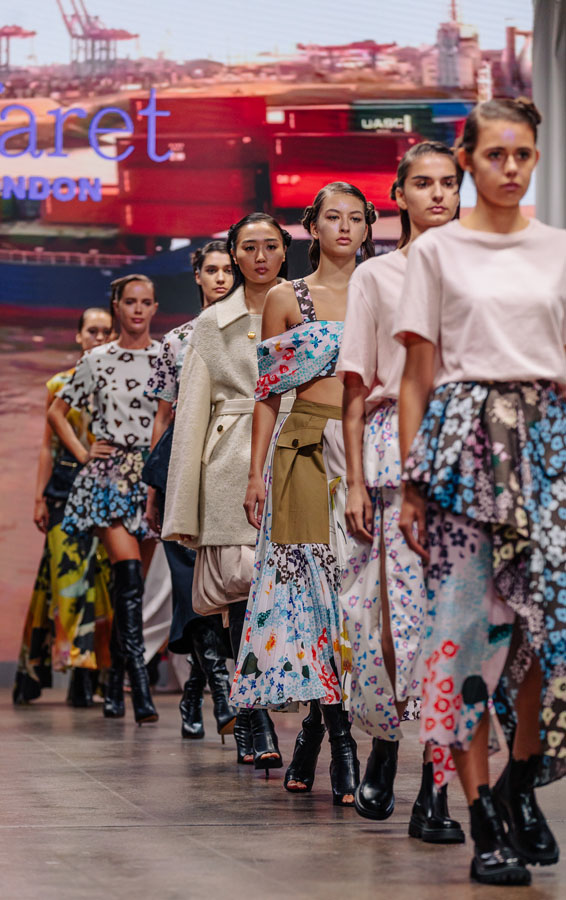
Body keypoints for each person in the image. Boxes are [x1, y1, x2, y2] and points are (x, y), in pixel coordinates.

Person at [395, 98, 565, 885]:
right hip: (462, 452)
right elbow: (417, 377)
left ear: (536, 158)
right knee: (464, 632)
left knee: (545, 635)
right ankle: (481, 818)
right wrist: (410, 485)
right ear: (467, 160)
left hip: (547, 451)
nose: (509, 168)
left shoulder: (557, 250)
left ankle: (519, 782)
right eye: (495, 154)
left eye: (522, 154)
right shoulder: (439, 252)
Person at [231, 183, 375, 804]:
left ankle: (315, 731)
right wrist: (253, 473)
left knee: (354, 599)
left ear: (368, 226)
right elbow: (268, 392)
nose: (344, 227)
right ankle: (343, 743)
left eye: (356, 218)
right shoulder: (287, 298)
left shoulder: (382, 288)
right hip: (303, 451)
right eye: (332, 218)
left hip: (368, 451)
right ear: (311, 227)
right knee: (313, 597)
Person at [337, 143, 464, 840]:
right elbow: (356, 388)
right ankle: (388, 742)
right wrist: (354, 480)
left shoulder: (481, 272)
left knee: (461, 624)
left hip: (470, 451)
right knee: (396, 623)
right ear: (399, 194)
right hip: (392, 455)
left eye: (448, 183)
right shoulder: (377, 276)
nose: (437, 194)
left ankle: (435, 786)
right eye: (423, 183)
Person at [162, 213, 294, 769]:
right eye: (249, 247)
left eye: (270, 246)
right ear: (234, 255)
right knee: (241, 596)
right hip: (229, 469)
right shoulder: (211, 324)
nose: (260, 256)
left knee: (295, 595)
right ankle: (254, 725)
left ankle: (304, 727)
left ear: (285, 251)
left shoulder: (308, 309)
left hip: (299, 454)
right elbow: (191, 417)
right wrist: (182, 508)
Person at [48, 274, 161, 726]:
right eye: (130, 302)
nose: (138, 310)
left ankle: (113, 680)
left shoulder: (166, 357)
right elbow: (57, 412)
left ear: (154, 308)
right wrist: (83, 452)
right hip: (110, 476)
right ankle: (140, 686)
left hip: (149, 480)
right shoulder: (96, 359)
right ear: (117, 306)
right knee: (128, 580)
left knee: (128, 592)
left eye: (146, 302)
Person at [144, 241, 236, 740]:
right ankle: (222, 694)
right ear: (197, 276)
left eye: (227, 269)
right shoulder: (175, 341)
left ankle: (195, 691)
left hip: (228, 467)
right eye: (211, 269)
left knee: (221, 591)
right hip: (179, 470)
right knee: (187, 585)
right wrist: (153, 490)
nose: (221, 277)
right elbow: (163, 419)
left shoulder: (251, 332)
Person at [13, 308, 114, 708]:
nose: (99, 338)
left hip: (110, 490)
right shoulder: (59, 384)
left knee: (103, 582)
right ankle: (76, 669)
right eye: (92, 331)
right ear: (78, 336)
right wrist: (39, 497)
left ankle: (91, 675)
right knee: (69, 578)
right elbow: (47, 445)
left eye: (105, 331)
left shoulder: (121, 382)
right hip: (64, 489)